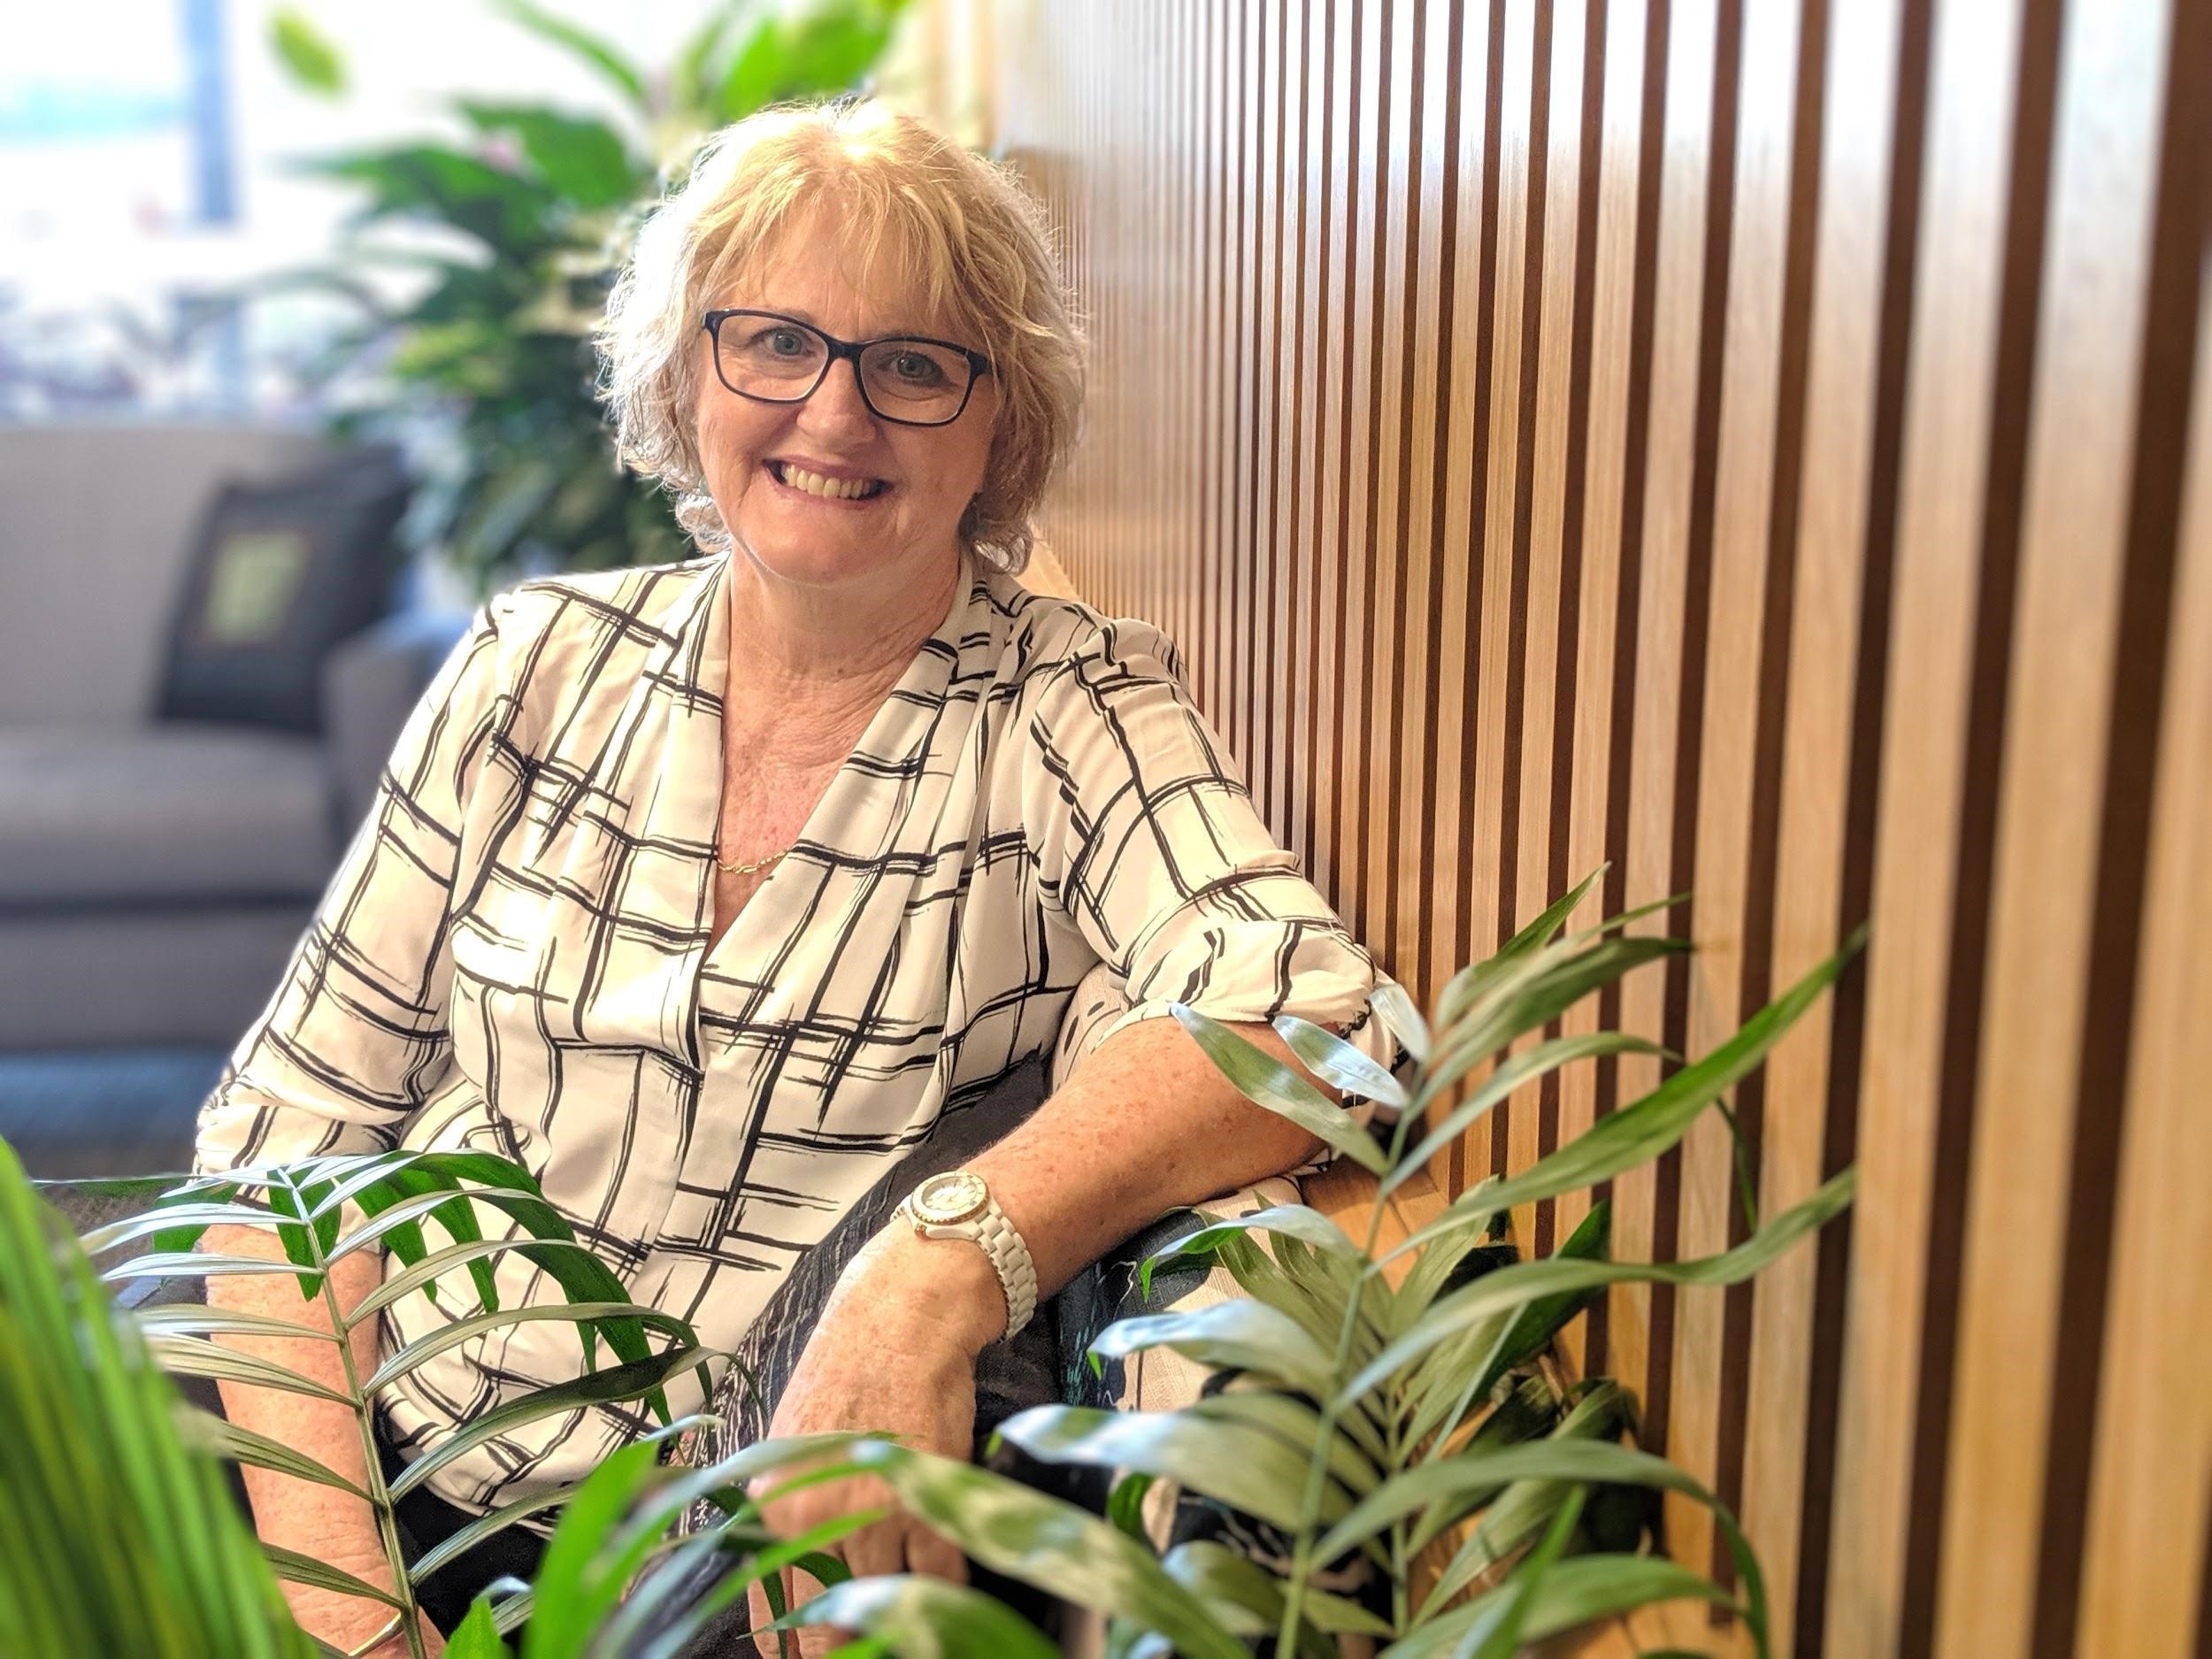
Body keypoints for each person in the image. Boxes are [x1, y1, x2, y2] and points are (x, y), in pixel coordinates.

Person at [195, 97, 1402, 1658]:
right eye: (774, 341)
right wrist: (350, 1621)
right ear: (690, 375)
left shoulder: (1063, 707)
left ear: (999, 422)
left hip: (716, 1570)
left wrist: (935, 1266)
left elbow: (1310, 1018)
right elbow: (284, 1141)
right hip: (379, 1477)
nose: (834, 417)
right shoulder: (532, 663)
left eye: (913, 365)